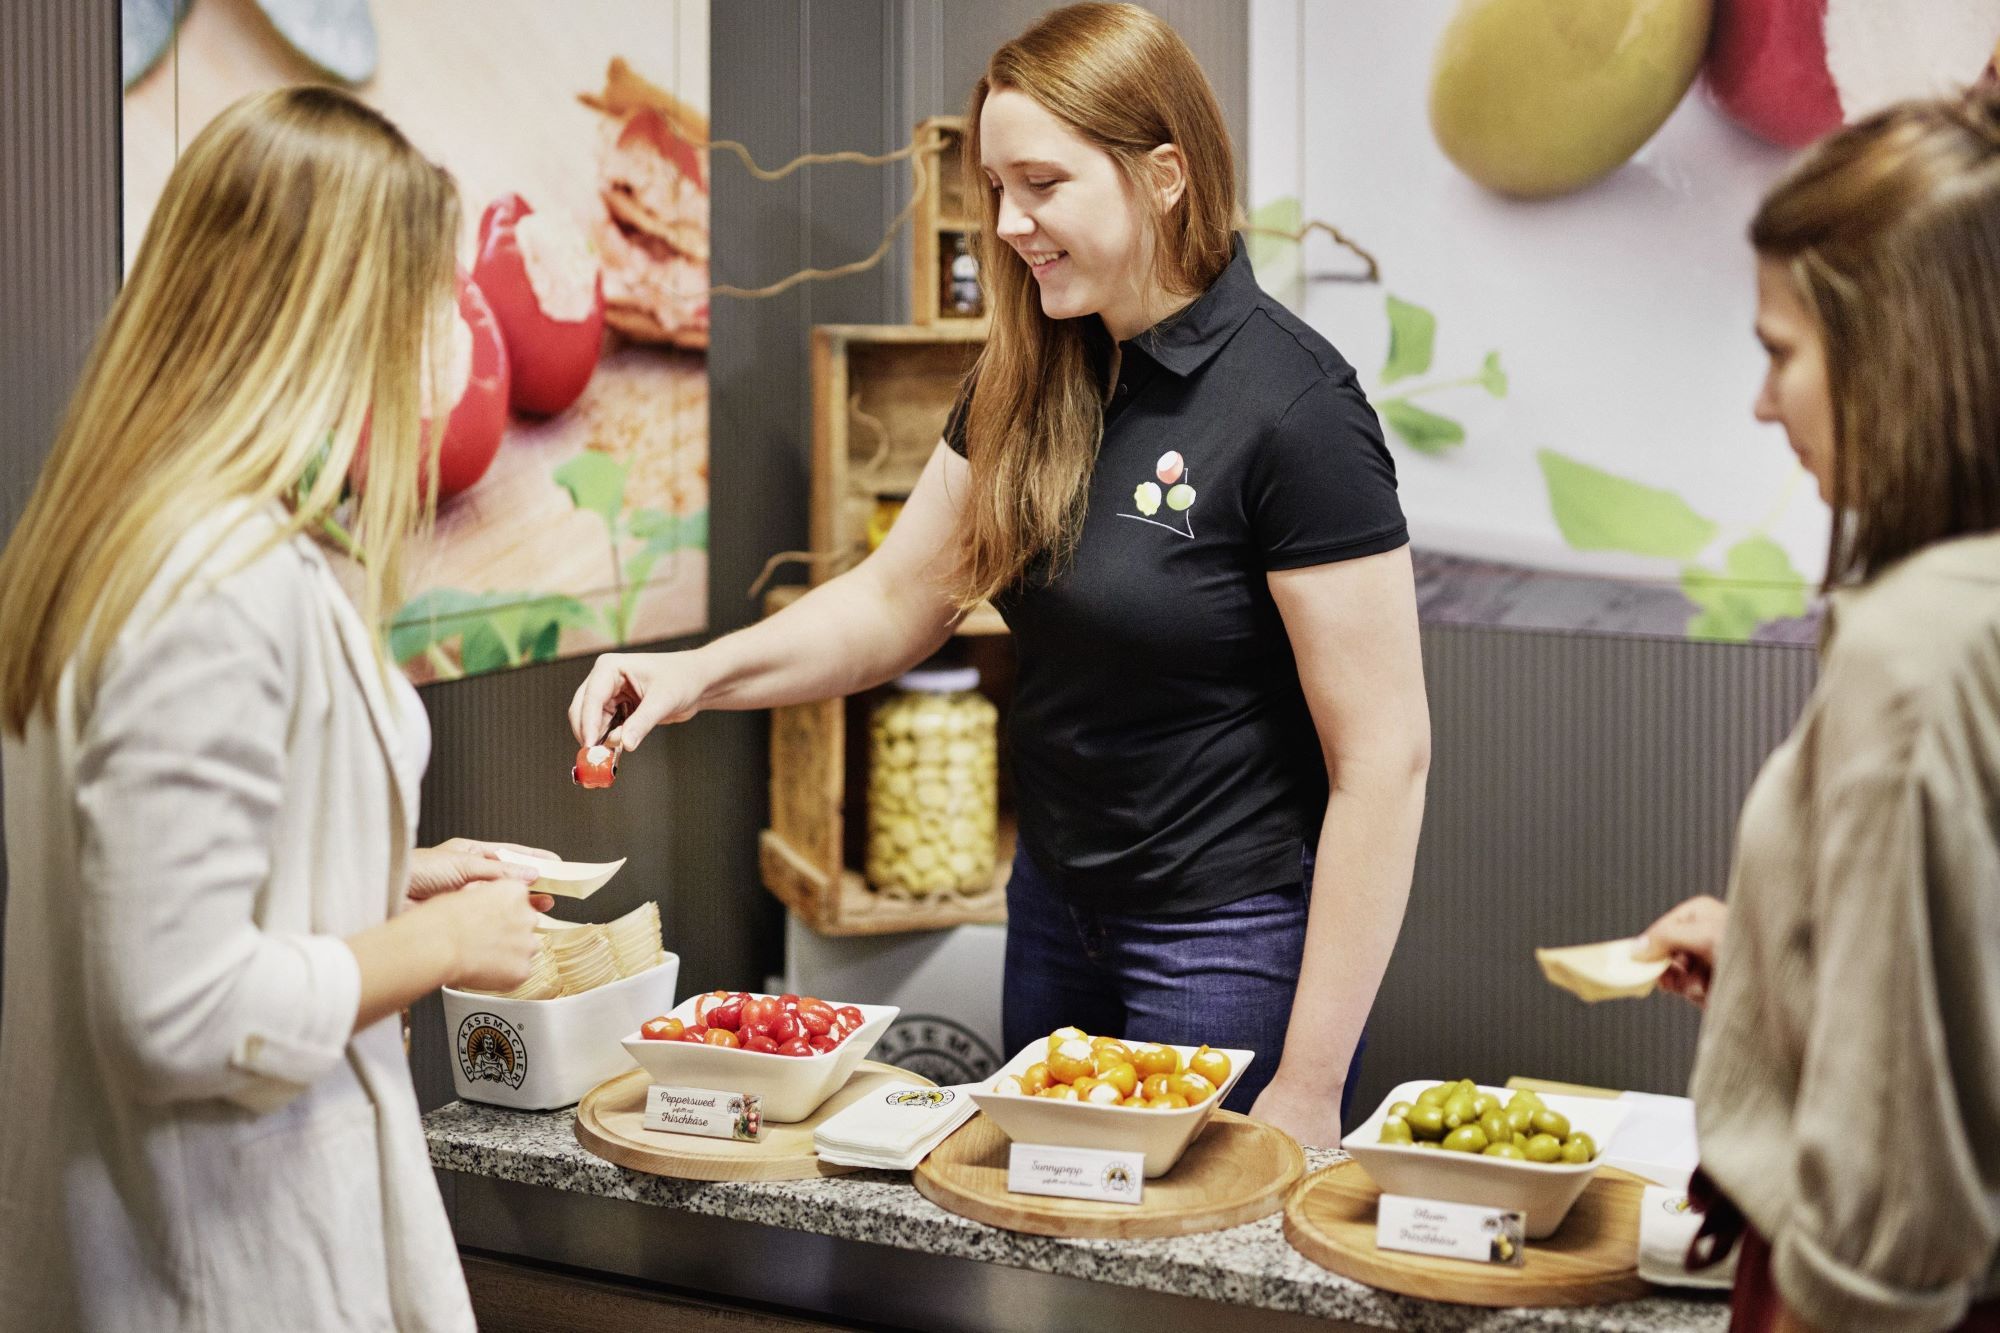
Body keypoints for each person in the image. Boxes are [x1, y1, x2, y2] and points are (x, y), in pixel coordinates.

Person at [571, 3, 1430, 1146]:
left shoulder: (1292, 409)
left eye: (1043, 184)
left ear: (1163, 174)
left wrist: (1311, 1085)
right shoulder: (1031, 373)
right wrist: (693, 676)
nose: (1011, 223)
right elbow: (893, 601)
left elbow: (1384, 758)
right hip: (1052, 915)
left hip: (1221, 946)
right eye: (995, 188)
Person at [0, 86, 555, 1331]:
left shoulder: (121, 533)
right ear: (335, 316)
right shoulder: (219, 584)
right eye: (427, 305)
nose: (441, 347)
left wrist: (376, 872)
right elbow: (174, 1010)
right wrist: (445, 945)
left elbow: (146, 873)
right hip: (215, 1263)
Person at [1637, 89, 2000, 1333]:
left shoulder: (1915, 649)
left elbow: (1887, 1200)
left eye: (1779, 352)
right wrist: (1781, 965)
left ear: (1892, 352)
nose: (1761, 402)